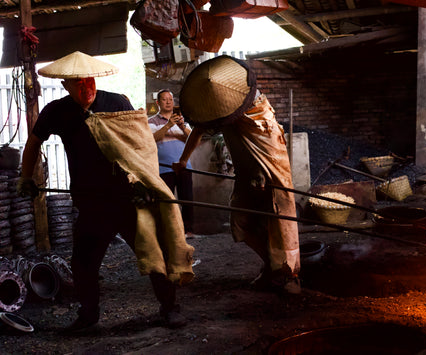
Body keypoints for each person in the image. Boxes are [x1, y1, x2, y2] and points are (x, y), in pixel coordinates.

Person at [17, 51, 195, 333]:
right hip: (91, 203)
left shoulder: (117, 102)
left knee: (153, 253)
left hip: (127, 198)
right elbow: (33, 143)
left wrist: (143, 182)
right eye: (78, 84)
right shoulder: (57, 111)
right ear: (65, 85)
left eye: (90, 81)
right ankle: (89, 315)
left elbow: (141, 146)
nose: (86, 88)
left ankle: (170, 309)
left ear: (96, 80)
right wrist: (26, 177)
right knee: (83, 264)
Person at [174, 55, 301, 294]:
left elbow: (269, 150)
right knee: (241, 222)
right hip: (246, 176)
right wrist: (183, 159)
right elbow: (198, 130)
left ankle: (289, 277)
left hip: (270, 175)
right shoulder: (215, 104)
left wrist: (262, 174)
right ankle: (272, 267)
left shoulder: (258, 110)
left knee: (278, 221)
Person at [148, 89, 194, 235]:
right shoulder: (151, 121)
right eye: (164, 99)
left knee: (187, 199)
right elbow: (151, 139)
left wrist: (181, 126)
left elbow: (193, 140)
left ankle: (188, 231)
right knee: (167, 201)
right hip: (164, 167)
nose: (168, 102)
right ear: (158, 103)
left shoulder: (183, 121)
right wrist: (168, 125)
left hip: (184, 165)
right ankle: (168, 232)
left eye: (170, 99)